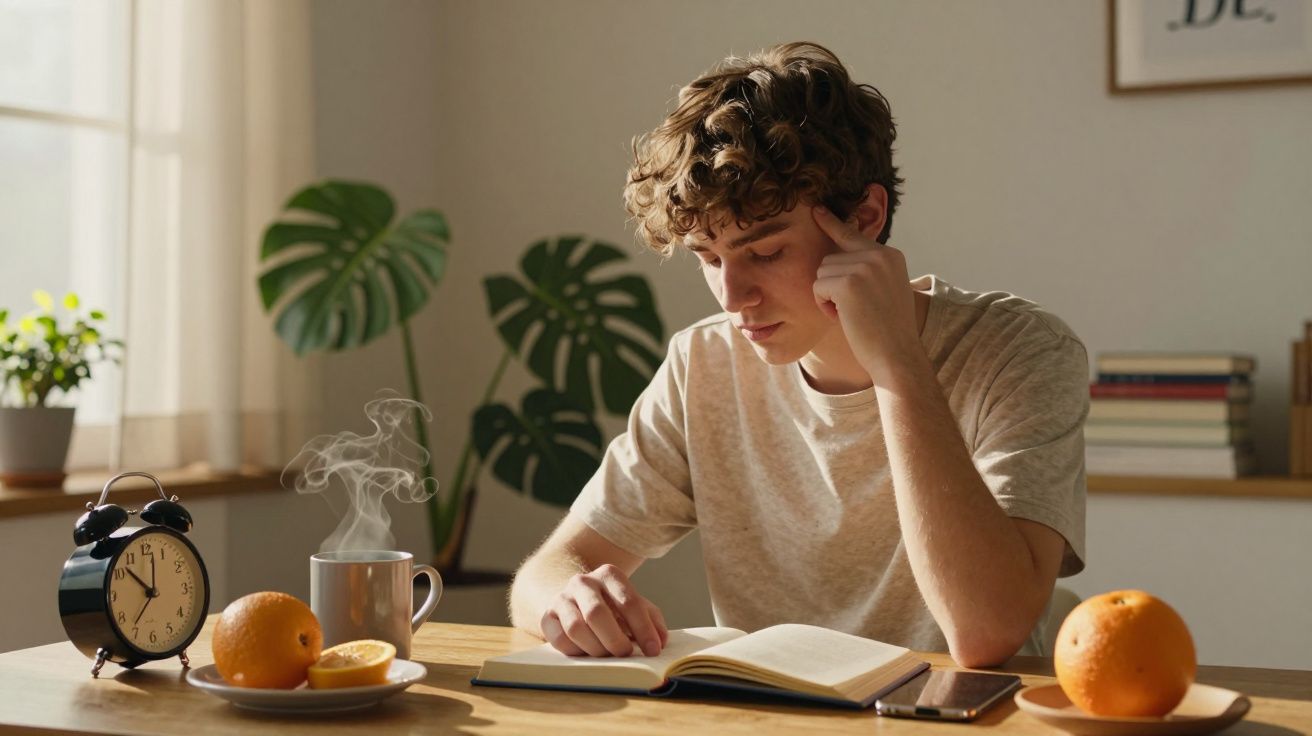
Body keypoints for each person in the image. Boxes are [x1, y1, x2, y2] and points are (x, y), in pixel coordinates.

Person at [508, 41, 1088, 668]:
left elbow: (986, 632)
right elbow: (544, 573)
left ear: (864, 217)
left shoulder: (1020, 353)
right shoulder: (702, 364)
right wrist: (570, 597)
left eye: (765, 252)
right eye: (709, 257)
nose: (733, 296)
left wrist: (896, 365)